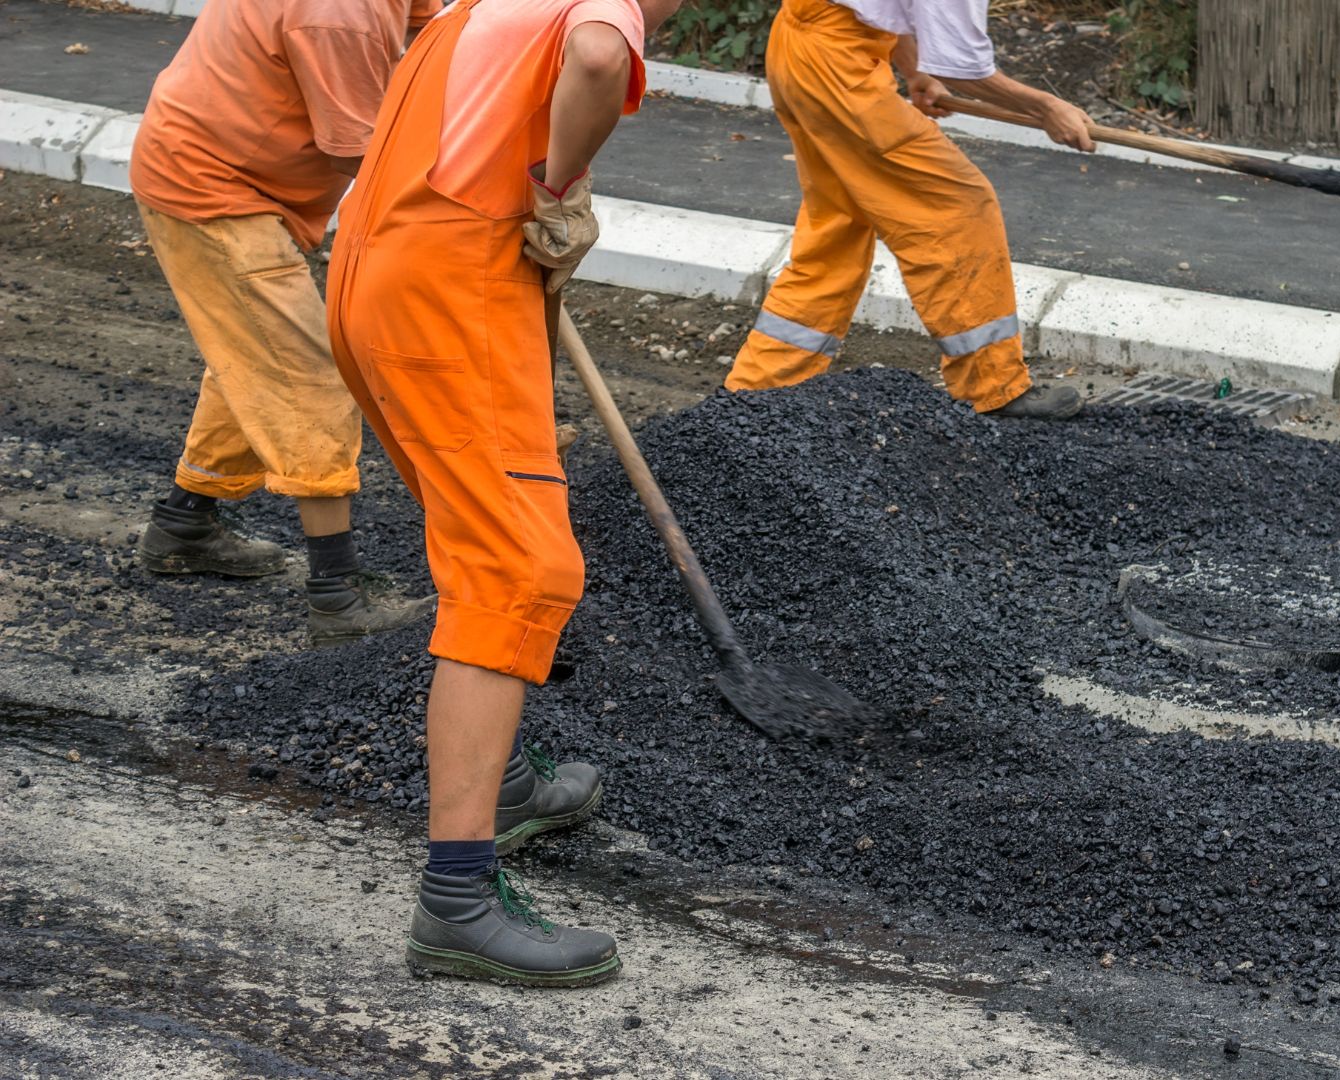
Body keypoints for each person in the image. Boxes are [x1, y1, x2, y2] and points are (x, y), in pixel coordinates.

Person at [327, 0, 678, 986]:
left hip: (373, 272)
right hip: (449, 291)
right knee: (519, 570)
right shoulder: (598, 8)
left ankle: (511, 788)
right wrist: (557, 189)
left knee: (475, 533)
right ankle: (457, 902)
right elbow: (603, 57)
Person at [128, 0, 441, 645]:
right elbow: (367, 157)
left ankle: (184, 526)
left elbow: (433, 36)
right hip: (212, 188)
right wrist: (484, 208)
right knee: (309, 375)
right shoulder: (337, 13)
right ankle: (337, 598)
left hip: (252, 180)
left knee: (257, 353)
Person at [726, 0, 1096, 419]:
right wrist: (1047, 108)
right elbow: (963, 68)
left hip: (801, 46)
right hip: (837, 67)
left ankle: (758, 393)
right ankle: (993, 385)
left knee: (839, 226)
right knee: (957, 207)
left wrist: (916, 71)